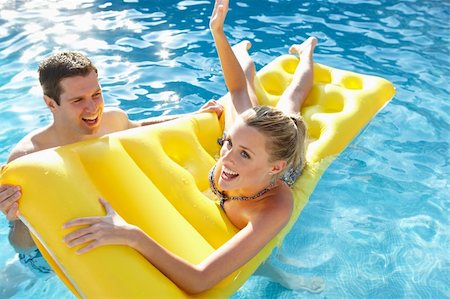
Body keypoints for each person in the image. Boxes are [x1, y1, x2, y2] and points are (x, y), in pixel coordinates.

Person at [62, 0, 318, 294]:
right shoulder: (238, 150)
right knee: (243, 89)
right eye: (229, 143)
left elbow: (199, 281)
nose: (227, 157)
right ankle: (242, 54)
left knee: (292, 100)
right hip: (259, 141)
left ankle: (307, 50)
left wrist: (132, 235)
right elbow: (233, 90)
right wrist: (217, 32)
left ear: (273, 167)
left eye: (243, 154)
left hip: (285, 159)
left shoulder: (273, 208)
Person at [0, 51, 223, 274]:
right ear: (51, 104)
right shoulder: (28, 158)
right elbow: (21, 245)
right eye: (78, 100)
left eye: (96, 94)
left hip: (118, 228)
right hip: (57, 253)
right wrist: (19, 216)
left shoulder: (112, 121)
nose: (92, 108)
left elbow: (141, 127)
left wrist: (193, 116)